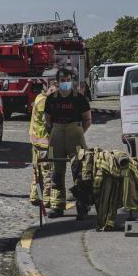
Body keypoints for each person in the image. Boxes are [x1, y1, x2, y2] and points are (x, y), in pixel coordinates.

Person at [71, 147, 138, 229]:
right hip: (119, 168)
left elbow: (105, 198)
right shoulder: (90, 168)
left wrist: (104, 223)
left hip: (124, 168)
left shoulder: (91, 173)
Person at [44, 68, 91, 218]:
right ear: (57, 82)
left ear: (72, 81)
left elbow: (88, 120)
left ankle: (82, 206)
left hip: (75, 133)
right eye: (62, 80)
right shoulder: (51, 98)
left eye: (68, 80)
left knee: (80, 171)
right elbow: (47, 121)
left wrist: (78, 133)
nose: (65, 83)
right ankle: (57, 206)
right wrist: (53, 133)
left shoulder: (79, 98)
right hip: (56, 134)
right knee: (55, 171)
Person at [29, 81, 57, 209]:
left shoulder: (39, 97)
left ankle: (35, 196)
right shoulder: (46, 102)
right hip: (46, 143)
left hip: (36, 142)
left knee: (37, 170)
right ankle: (46, 199)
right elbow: (49, 122)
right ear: (48, 88)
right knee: (47, 171)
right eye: (53, 91)